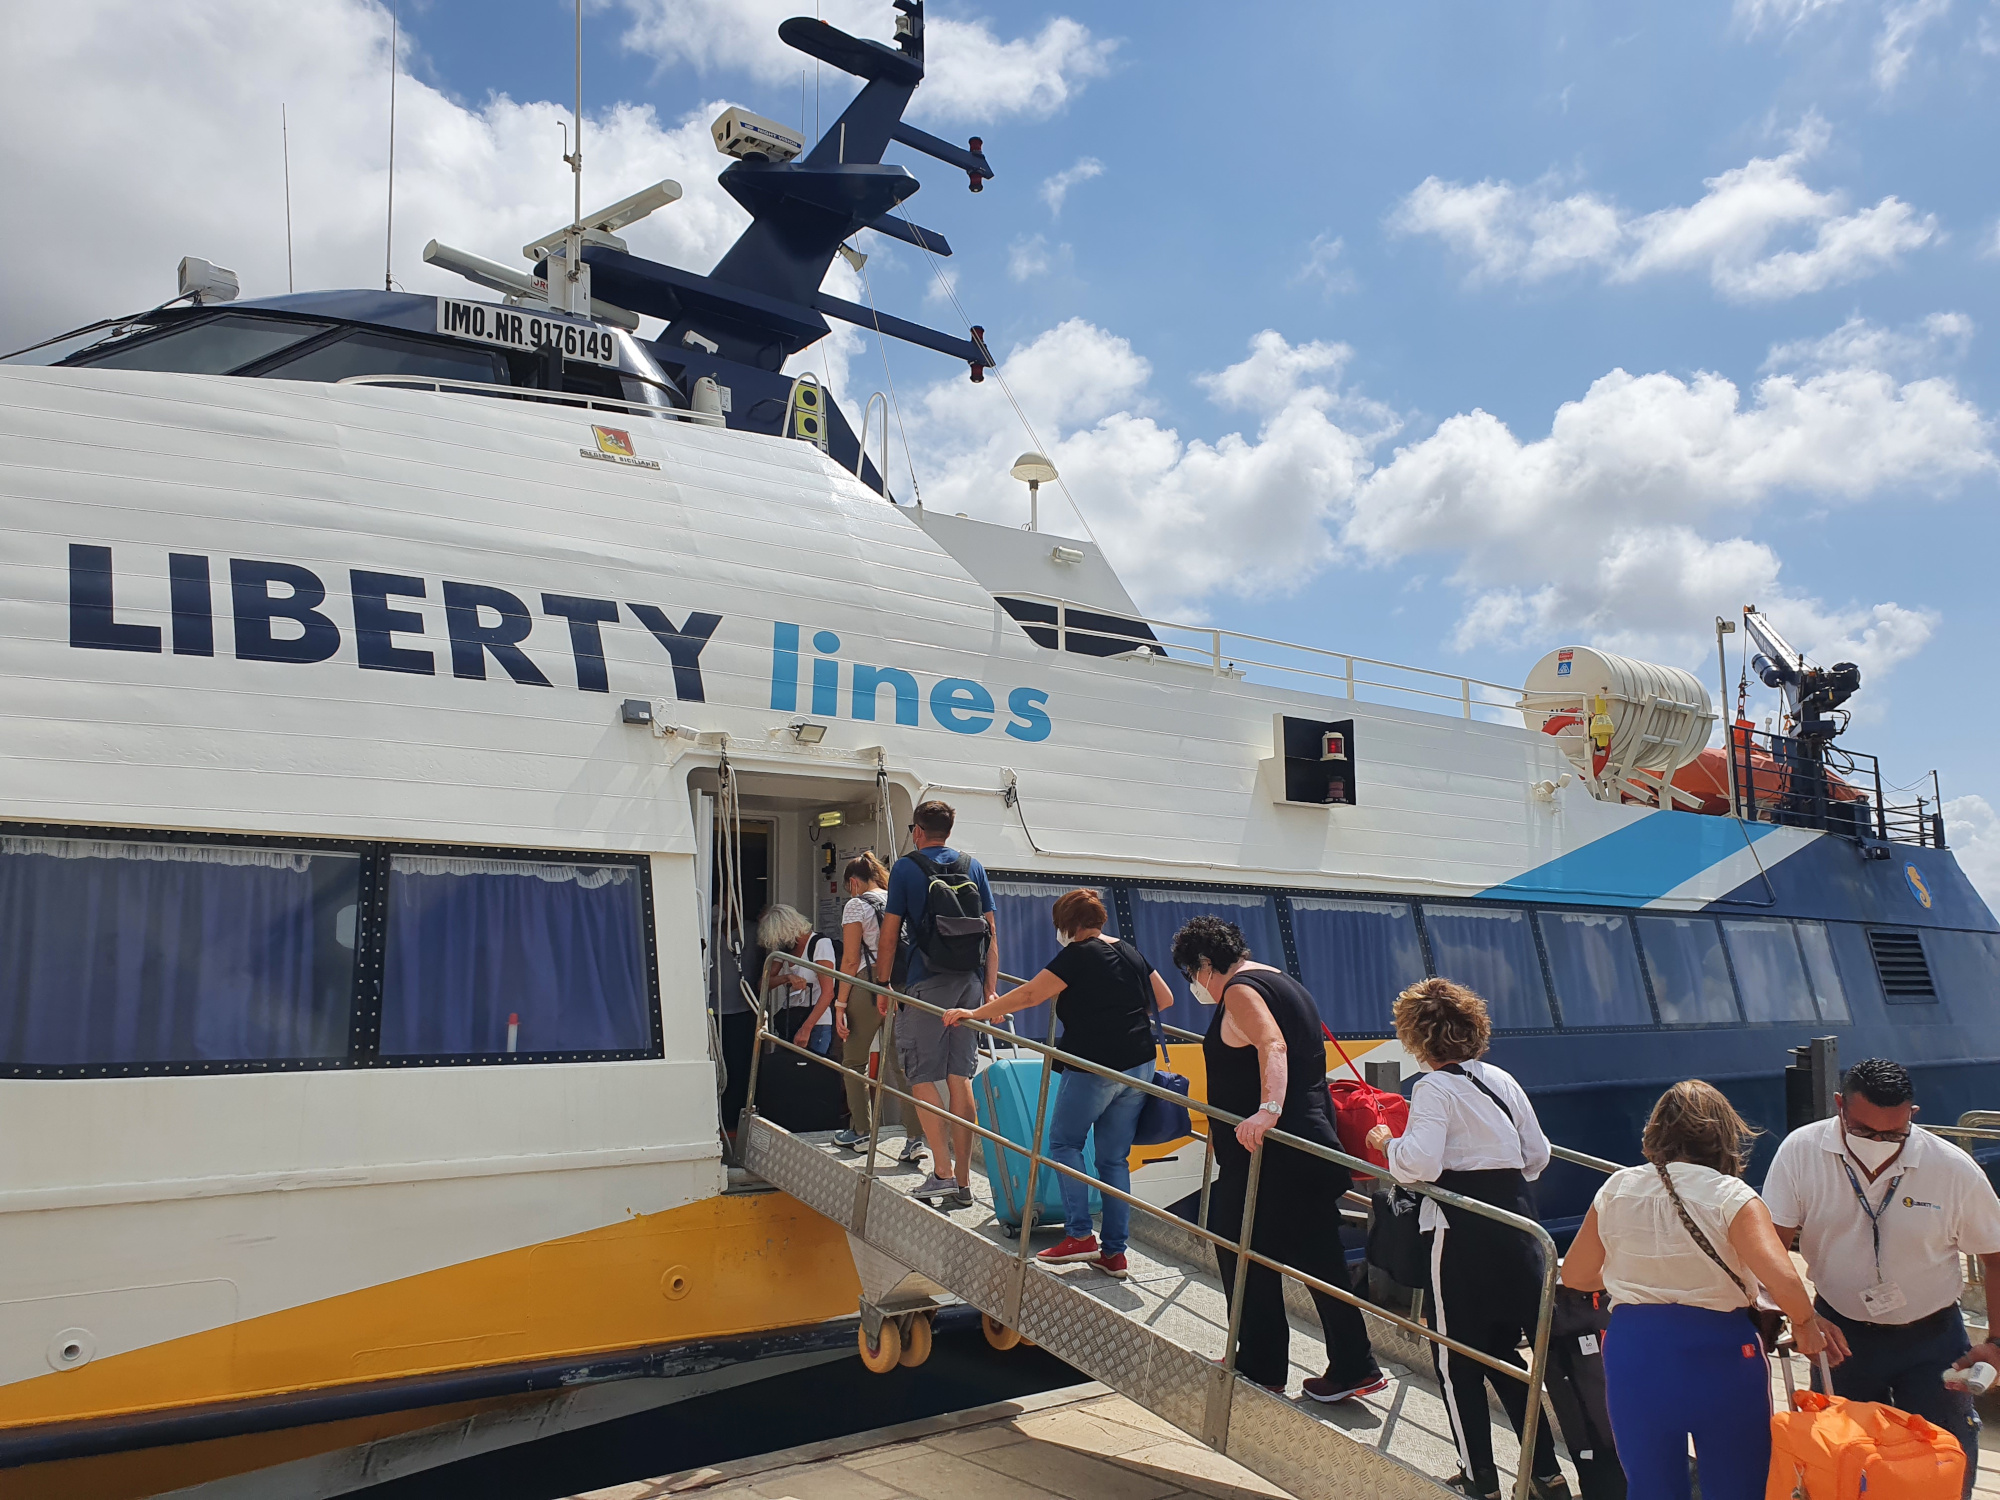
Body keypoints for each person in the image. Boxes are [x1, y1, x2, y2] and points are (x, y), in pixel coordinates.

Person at [1562, 1081, 1829, 1500]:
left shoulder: (1616, 1189)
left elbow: (1576, 1275)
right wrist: (1806, 1323)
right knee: (1737, 1483)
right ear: (1724, 1136)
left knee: (1652, 1486)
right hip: (1719, 1352)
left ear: (1655, 1131)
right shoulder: (1732, 1197)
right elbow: (1783, 1280)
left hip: (1636, 1351)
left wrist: (1629, 1279)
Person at [1171, 914, 1387, 1404]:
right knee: (1320, 1257)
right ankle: (1355, 1364)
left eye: (1191, 972)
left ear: (1206, 963)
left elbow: (1273, 1044)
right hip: (1308, 1146)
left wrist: (1265, 1112)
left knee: (1239, 1246)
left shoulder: (1241, 992)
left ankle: (1261, 1366)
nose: (1194, 984)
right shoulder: (1285, 983)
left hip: (1269, 1155)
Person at [1762, 1057, 2000, 1499]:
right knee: (1842, 1466)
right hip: (1841, 1337)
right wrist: (1800, 1317)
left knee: (1943, 1464)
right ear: (1839, 1106)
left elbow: (1997, 1256)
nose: (1879, 1143)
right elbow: (1768, 1248)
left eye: (1893, 1134)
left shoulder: (1952, 1169)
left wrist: (1999, 1342)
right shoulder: (1801, 1151)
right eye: (1865, 1132)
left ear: (1913, 1114)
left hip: (1934, 1342)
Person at [1365, 978, 1566, 1500]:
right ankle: (1547, 1472)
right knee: (1505, 1353)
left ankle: (1481, 1478)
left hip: (1461, 1235)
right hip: (1519, 1228)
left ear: (1416, 1036)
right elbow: (1537, 1155)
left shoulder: (1432, 1087)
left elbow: (1420, 1164)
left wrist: (1388, 1144)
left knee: (1456, 1360)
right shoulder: (1500, 1078)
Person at [942, 889, 1173, 1278]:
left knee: (1065, 1143)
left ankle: (1080, 1235)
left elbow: (1030, 994)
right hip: (1139, 1065)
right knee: (1113, 1159)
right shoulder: (1129, 951)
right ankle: (1114, 1253)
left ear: (1068, 926)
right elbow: (1163, 999)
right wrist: (1123, 1013)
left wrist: (976, 1012)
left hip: (1094, 1065)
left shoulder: (1078, 955)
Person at [877, 800, 998, 1209]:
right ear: (950, 828)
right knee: (959, 1077)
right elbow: (991, 935)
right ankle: (963, 1182)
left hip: (926, 982)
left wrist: (882, 986)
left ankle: (942, 1172)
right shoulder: (973, 866)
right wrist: (990, 991)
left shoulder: (906, 869)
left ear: (917, 831)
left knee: (921, 1074)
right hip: (970, 984)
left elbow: (890, 935)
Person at [830, 853, 924, 1162]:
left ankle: (861, 1132)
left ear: (854, 883)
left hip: (869, 983)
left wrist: (840, 1003)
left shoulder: (856, 904)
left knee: (854, 1059)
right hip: (902, 985)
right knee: (900, 1065)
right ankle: (914, 1139)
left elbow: (850, 959)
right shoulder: (897, 899)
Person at [756, 905, 838, 1056]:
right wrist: (785, 978)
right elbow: (763, 984)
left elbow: (828, 993)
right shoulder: (785, 949)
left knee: (813, 1071)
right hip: (791, 1018)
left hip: (817, 1022)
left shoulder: (820, 944)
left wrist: (806, 1029)